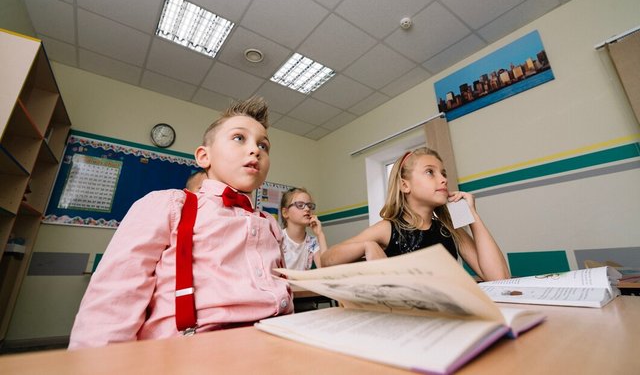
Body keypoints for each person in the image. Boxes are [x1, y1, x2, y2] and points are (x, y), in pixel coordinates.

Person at [69, 96, 292, 349]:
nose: (255, 150)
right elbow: (115, 296)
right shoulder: (169, 205)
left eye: (264, 146)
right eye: (239, 138)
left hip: (277, 339)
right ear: (204, 156)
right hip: (192, 348)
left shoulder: (269, 224)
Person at [321, 147, 509, 281]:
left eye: (444, 174)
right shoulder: (388, 228)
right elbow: (327, 259)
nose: (443, 179)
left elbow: (499, 277)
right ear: (405, 185)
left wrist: (472, 215)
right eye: (430, 172)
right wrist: (367, 245)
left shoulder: (450, 229)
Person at [280, 187, 327, 270]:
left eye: (310, 206)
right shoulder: (277, 238)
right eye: (300, 205)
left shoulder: (312, 242)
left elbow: (324, 269)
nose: (307, 209)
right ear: (285, 213)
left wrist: (320, 234)